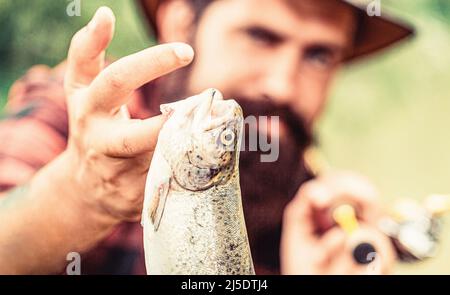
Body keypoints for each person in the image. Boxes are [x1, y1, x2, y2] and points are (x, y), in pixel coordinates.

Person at [0, 0, 413, 274]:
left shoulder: (312, 207)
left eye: (319, 55)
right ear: (180, 22)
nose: (284, 85)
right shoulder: (84, 120)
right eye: (261, 36)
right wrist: (79, 195)